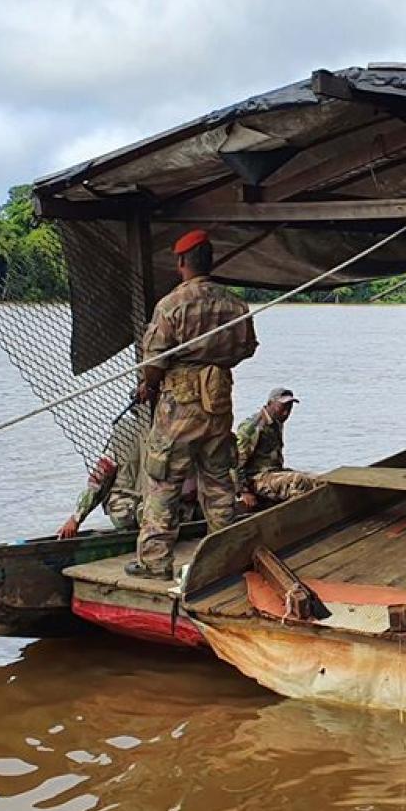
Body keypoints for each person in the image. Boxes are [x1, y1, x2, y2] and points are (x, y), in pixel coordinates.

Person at [126, 229, 257, 579]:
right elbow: (247, 348)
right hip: (218, 403)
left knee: (163, 480)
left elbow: (154, 361)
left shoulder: (171, 305)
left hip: (178, 407)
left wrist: (147, 386)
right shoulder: (235, 304)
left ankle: (154, 562)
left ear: (182, 261)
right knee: (218, 483)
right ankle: (227, 561)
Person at [55, 418, 198, 539]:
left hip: (124, 512)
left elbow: (99, 480)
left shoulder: (123, 433)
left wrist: (76, 519)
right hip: (159, 514)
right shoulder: (182, 433)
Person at [234, 387, 322, 510]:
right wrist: (243, 491)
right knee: (298, 481)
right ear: (270, 404)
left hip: (273, 473)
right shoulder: (253, 427)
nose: (286, 413)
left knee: (319, 480)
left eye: (289, 408)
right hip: (255, 479)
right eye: (282, 407)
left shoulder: (276, 423)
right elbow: (235, 463)